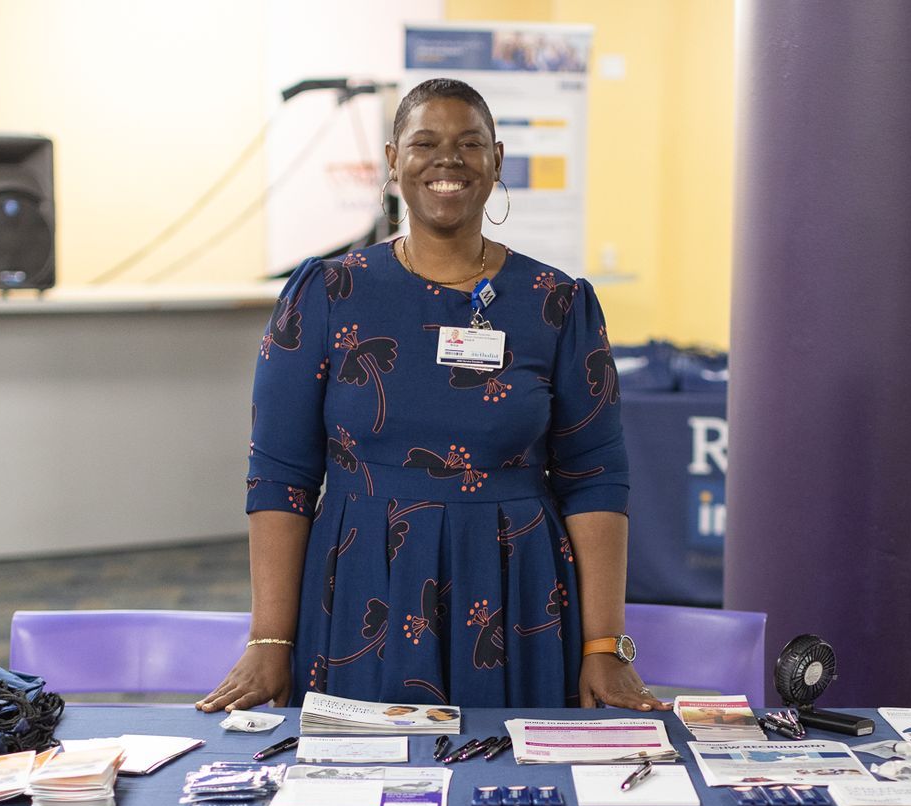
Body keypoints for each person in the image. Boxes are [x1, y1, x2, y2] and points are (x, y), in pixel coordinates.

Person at [198, 78, 664, 713]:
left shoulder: (557, 303)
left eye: (470, 144)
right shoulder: (328, 294)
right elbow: (281, 476)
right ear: (393, 161)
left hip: (515, 589)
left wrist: (604, 645)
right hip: (364, 586)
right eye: (425, 142)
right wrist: (270, 637)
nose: (448, 159)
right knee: (359, 793)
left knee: (510, 788)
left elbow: (596, 477)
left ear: (496, 161)